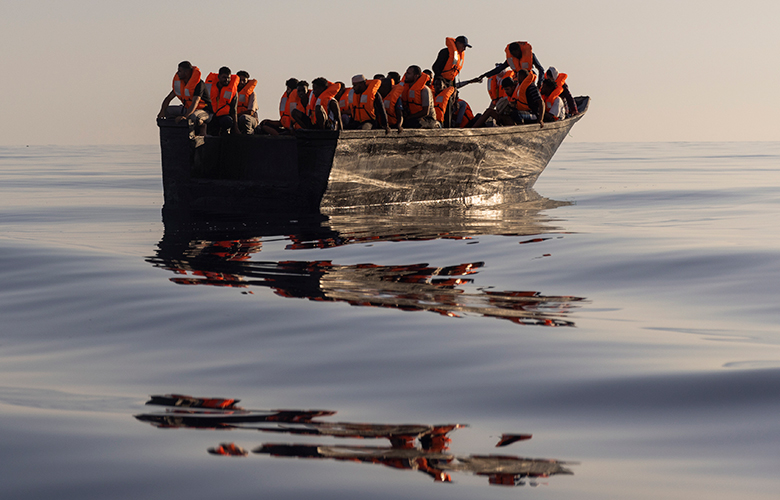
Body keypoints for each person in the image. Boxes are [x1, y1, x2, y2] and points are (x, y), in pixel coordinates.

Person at [473, 69, 544, 128]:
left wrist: (540, 119)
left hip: (533, 114)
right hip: (519, 113)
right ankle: (473, 129)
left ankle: (518, 131)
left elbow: (541, 103)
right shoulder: (517, 90)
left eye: (507, 89)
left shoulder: (531, 88)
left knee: (515, 114)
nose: (518, 78)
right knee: (490, 111)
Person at [157, 61, 212, 136]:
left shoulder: (199, 84)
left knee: (194, 117)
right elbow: (168, 98)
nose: (177, 73)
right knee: (168, 111)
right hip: (188, 109)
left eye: (180, 71)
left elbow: (195, 102)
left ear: (186, 72)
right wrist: (162, 112)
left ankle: (203, 127)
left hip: (204, 111)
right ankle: (176, 131)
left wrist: (185, 117)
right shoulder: (181, 84)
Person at [479, 41, 546, 87]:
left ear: (520, 50)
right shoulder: (511, 59)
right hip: (518, 81)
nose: (515, 55)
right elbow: (499, 69)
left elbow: (541, 69)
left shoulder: (530, 56)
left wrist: (540, 82)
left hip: (530, 80)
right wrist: (485, 75)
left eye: (516, 53)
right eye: (513, 54)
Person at [204, 67, 239, 136]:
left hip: (223, 116)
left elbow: (233, 110)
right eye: (224, 77)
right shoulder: (209, 87)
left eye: (228, 78)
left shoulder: (233, 91)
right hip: (210, 114)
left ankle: (224, 134)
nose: (227, 80)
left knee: (228, 121)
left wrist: (236, 127)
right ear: (218, 77)